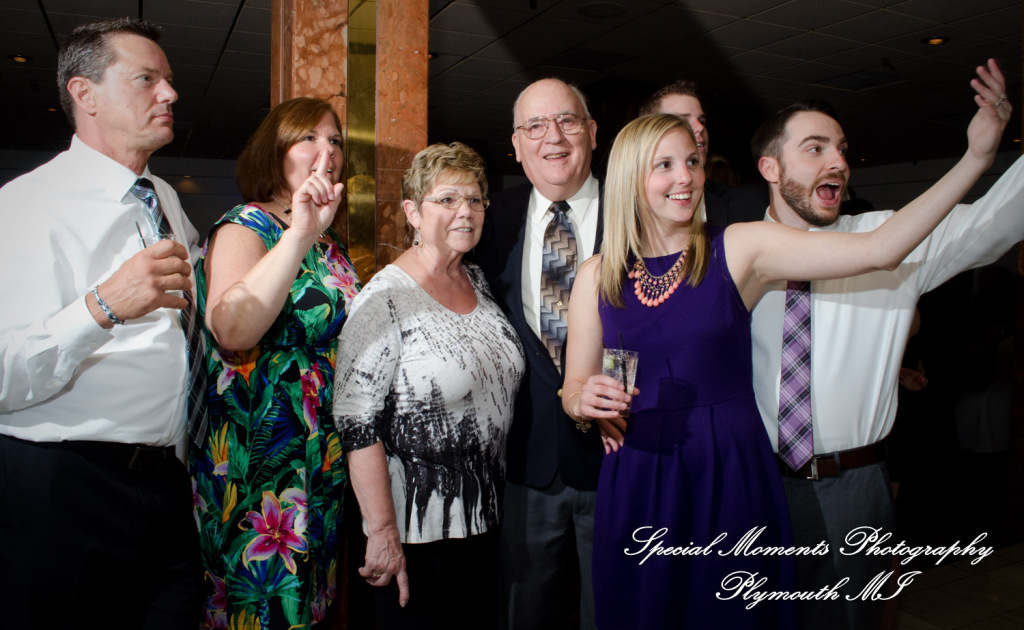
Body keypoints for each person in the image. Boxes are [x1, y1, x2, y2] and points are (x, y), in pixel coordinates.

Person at [562, 61, 1009, 629]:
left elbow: (879, 249)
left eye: (694, 162)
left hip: (729, 473)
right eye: (665, 165)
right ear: (629, 175)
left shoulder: (738, 247)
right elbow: (573, 384)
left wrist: (975, 159)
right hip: (642, 476)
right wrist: (583, 401)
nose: (686, 177)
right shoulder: (595, 276)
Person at [746, 58, 1022, 630]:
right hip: (757, 482)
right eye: (816, 148)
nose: (839, 163)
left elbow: (997, 219)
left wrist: (982, 153)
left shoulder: (887, 239)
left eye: (842, 149)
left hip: (856, 487)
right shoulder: (734, 254)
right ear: (770, 166)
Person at [0, 18, 204, 629]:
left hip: (164, 484)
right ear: (84, 94)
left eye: (168, 81)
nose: (169, 94)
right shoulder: (25, 207)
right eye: (147, 79)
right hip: (64, 490)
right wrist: (103, 306)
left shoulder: (161, 196)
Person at [333, 142, 525, 628]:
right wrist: (382, 533)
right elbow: (356, 426)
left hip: (485, 526)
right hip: (416, 535)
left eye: (476, 199)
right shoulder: (384, 298)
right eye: (447, 199)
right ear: (412, 212)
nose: (466, 211)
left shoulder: (478, 280)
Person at [189, 97, 361, 629]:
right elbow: (233, 329)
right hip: (261, 452)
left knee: (308, 604)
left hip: (321, 453)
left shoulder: (331, 244)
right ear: (275, 150)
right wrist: (300, 232)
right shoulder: (247, 226)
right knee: (260, 603)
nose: (326, 151)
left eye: (334, 141)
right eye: (309, 137)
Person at [473, 77, 603, 629]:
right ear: (517, 145)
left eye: (568, 120)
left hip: (624, 459)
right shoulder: (486, 221)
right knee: (522, 614)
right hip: (525, 464)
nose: (554, 136)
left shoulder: (641, 215)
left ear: (592, 133)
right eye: (535, 126)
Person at [640, 79, 766, 225]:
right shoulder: (617, 212)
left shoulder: (749, 204)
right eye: (683, 121)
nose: (700, 127)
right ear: (648, 133)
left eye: (702, 121)